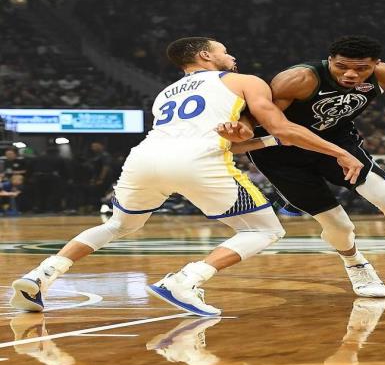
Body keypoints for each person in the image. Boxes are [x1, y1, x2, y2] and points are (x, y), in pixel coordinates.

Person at [10, 36, 363, 316]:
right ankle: (186, 279)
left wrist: (255, 138)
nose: (231, 56)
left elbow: (233, 140)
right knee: (264, 230)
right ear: (206, 56)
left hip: (144, 158)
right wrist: (339, 151)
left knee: (118, 225)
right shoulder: (244, 80)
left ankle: (41, 275)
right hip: (197, 160)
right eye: (224, 51)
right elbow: (281, 127)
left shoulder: (165, 93)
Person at [220, 35, 385, 296]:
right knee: (338, 225)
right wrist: (242, 130)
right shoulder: (299, 79)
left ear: (376, 65)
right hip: (280, 151)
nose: (350, 74)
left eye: (361, 69)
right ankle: (356, 265)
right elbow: (263, 120)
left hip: (336, 139)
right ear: (330, 60)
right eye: (341, 66)